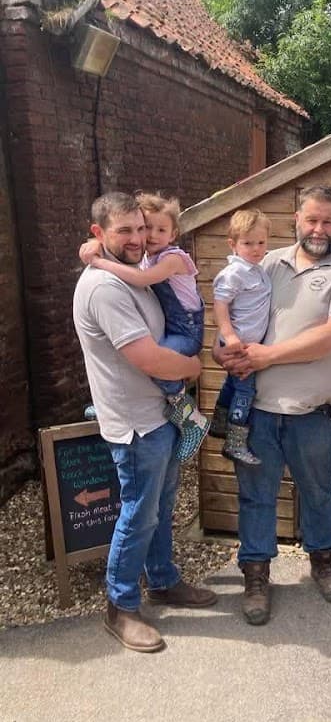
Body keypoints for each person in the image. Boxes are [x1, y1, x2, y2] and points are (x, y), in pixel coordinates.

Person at [214, 186, 331, 626]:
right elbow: (230, 315)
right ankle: (257, 575)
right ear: (296, 220)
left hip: (315, 410)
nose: (319, 229)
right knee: (256, 496)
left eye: (328, 222)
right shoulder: (263, 261)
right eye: (311, 220)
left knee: (318, 491)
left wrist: (266, 356)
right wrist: (222, 347)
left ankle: (322, 562)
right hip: (258, 407)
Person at [73, 192, 217, 653]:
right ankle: (121, 607)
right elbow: (147, 358)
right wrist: (194, 368)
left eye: (141, 228)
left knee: (160, 508)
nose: (137, 239)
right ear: (99, 233)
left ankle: (163, 580)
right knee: (139, 514)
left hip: (160, 417)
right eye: (125, 231)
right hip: (135, 424)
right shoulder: (104, 288)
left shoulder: (137, 275)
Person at [79, 192, 209, 462]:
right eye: (145, 227)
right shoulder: (116, 279)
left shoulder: (172, 258)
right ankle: (180, 415)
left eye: (154, 229)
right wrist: (98, 243)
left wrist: (100, 258)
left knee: (163, 363)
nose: (146, 237)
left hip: (186, 330)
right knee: (159, 361)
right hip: (140, 425)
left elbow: (141, 278)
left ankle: (191, 419)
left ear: (173, 235)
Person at [210, 209, 272, 466]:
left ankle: (219, 423)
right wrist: (228, 335)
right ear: (233, 244)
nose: (256, 249)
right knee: (246, 388)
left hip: (245, 339)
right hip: (240, 343)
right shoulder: (234, 273)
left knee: (232, 385)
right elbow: (220, 304)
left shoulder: (255, 269)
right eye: (248, 243)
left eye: (261, 243)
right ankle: (235, 442)